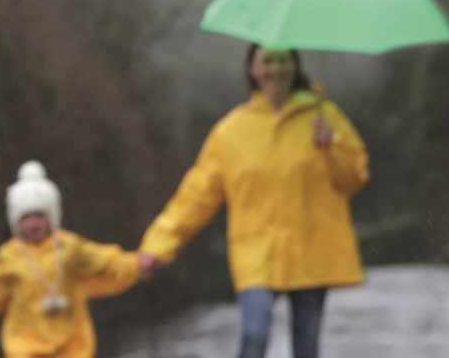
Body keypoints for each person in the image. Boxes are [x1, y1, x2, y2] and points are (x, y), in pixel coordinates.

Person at [136, 45, 369, 358]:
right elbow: (196, 195)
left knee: (307, 347)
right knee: (254, 334)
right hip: (256, 250)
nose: (276, 69)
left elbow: (354, 178)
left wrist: (331, 148)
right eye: (268, 61)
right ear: (252, 70)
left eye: (283, 61)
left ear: (295, 67)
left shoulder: (324, 117)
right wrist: (158, 245)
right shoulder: (231, 131)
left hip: (312, 247)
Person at [0, 161, 143, 357]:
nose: (33, 224)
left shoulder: (68, 246)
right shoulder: (9, 256)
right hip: (26, 347)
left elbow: (101, 260)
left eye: (39, 216)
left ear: (52, 216)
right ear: (16, 221)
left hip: (72, 346)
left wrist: (135, 264)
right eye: (26, 217)